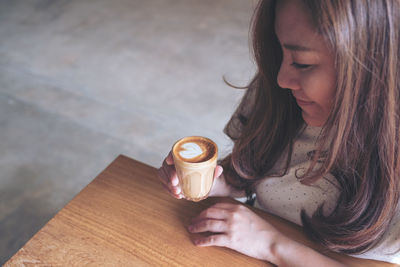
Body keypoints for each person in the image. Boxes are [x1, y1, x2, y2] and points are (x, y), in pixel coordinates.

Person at [158, 0, 400, 265]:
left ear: (372, 66)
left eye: (303, 63)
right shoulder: (280, 96)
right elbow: (253, 173)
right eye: (280, 52)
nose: (281, 79)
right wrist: (209, 181)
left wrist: (271, 244)